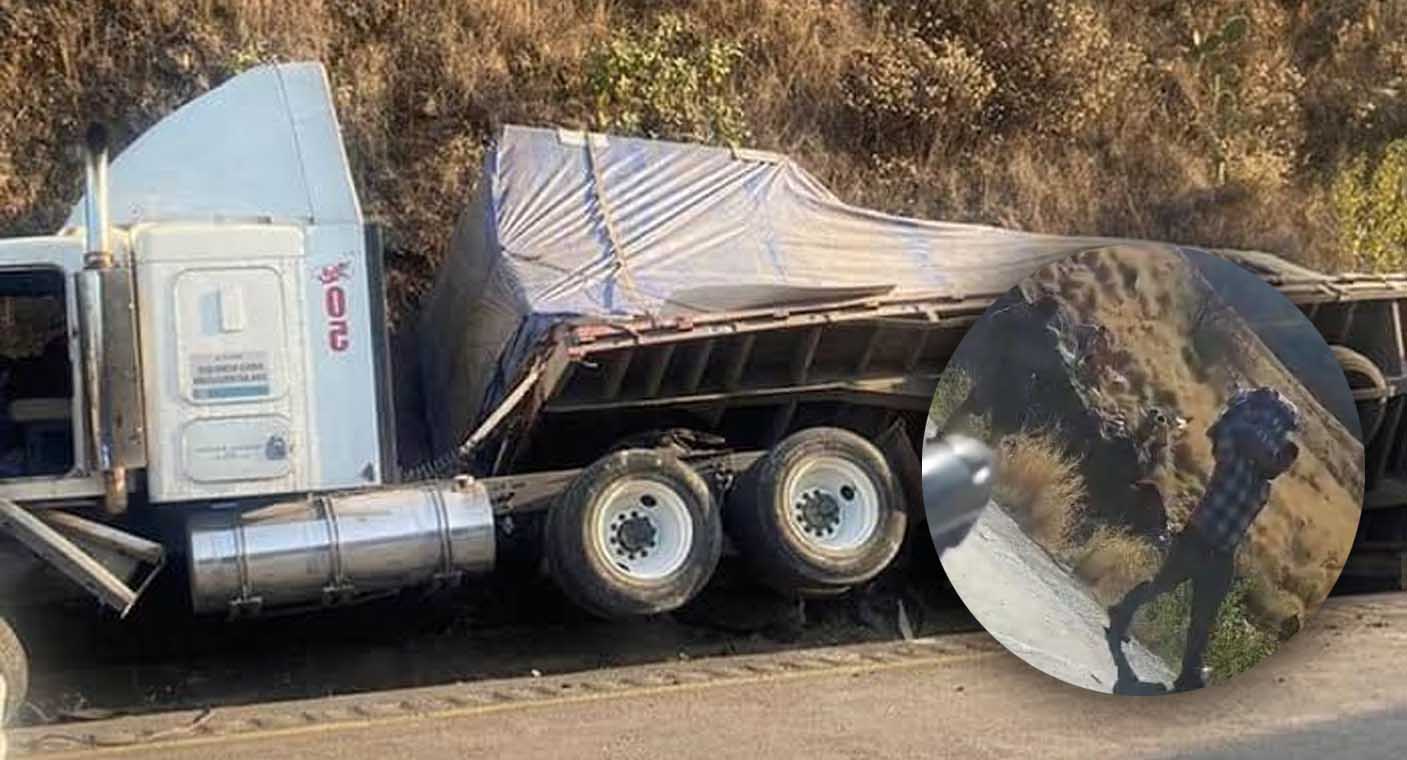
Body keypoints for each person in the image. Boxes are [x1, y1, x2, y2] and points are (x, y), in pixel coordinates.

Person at [1105, 386, 1300, 691]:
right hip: (1197, 540)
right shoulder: (1234, 457)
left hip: (1222, 552)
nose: (1281, 463)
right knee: (1162, 586)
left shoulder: (1261, 480)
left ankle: (1189, 674)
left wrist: (1271, 455)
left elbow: (1260, 454)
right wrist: (1251, 425)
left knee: (1204, 616)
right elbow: (1225, 431)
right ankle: (1122, 613)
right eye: (1280, 454)